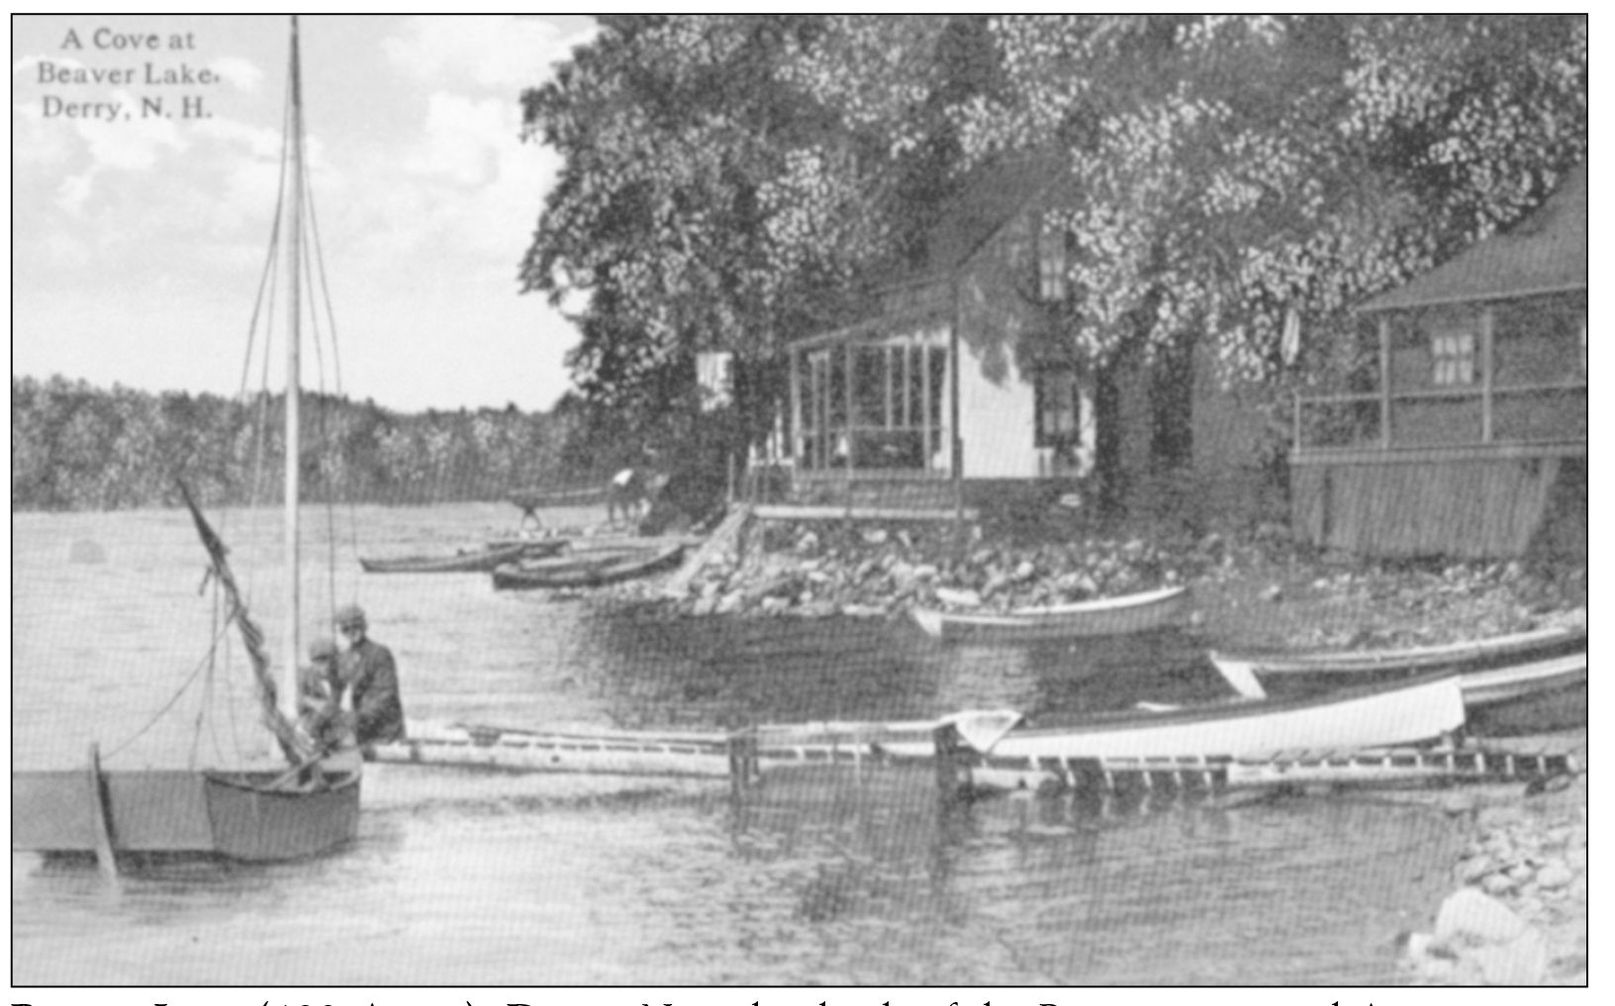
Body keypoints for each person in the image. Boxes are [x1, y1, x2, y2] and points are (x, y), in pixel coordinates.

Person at [332, 603, 405, 752]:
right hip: (362, 729)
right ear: (342, 631)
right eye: (346, 628)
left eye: (356, 626)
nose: (352, 631)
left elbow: (386, 694)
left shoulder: (380, 654)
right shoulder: (344, 658)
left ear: (364, 626)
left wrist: (359, 718)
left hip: (385, 730)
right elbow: (337, 689)